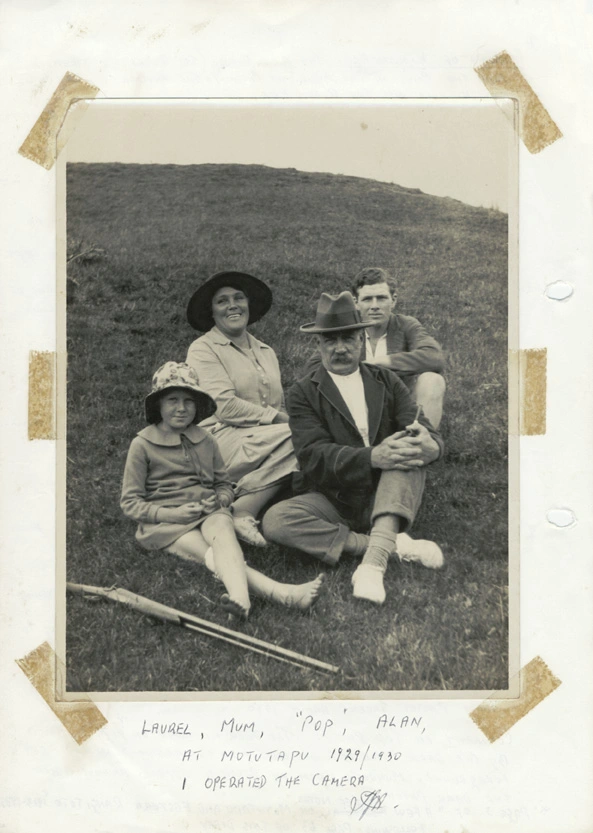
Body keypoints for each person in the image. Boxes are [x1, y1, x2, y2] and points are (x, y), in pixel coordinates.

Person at [263, 292, 444, 605]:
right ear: (318, 345)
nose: (340, 348)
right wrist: (373, 456)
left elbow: (423, 426)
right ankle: (385, 544)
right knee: (275, 521)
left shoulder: (385, 380)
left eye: (348, 338)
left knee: (408, 451)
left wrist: (431, 445)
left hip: (383, 491)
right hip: (333, 498)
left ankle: (372, 566)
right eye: (330, 341)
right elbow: (313, 457)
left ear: (361, 340)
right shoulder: (303, 393)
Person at [121, 362, 324, 620]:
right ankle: (280, 593)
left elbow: (223, 483)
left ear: (197, 406)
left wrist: (221, 498)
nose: (181, 408)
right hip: (165, 523)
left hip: (209, 510)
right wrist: (173, 514)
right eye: (172, 400)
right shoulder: (142, 445)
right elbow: (130, 502)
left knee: (223, 536)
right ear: (158, 405)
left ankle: (240, 600)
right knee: (209, 554)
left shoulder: (206, 439)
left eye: (189, 401)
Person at [186, 271, 298, 548]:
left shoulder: (266, 351)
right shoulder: (203, 349)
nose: (232, 305)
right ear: (211, 312)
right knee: (302, 438)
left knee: (308, 438)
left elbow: (278, 403)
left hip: (266, 439)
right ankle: (243, 511)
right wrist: (283, 421)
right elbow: (223, 406)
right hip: (220, 439)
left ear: (249, 304)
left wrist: (286, 419)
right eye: (222, 301)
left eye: (238, 298)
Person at [351, 267, 446, 428]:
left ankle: (422, 446)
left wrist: (381, 362)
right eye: (367, 299)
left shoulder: (405, 325)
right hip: (356, 410)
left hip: (399, 412)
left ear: (393, 300)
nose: (375, 306)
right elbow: (317, 367)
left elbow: (434, 357)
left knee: (433, 380)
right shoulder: (347, 331)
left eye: (381, 298)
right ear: (356, 303)